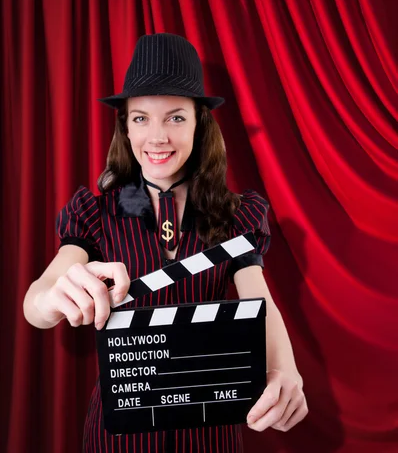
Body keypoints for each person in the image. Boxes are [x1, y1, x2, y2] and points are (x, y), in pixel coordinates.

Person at [23, 33, 307, 452]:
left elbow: (260, 304)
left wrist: (285, 369)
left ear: (199, 123)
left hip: (209, 431)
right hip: (120, 433)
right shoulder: (96, 213)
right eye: (141, 118)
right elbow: (37, 301)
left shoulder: (235, 215)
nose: (157, 137)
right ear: (125, 126)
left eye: (175, 118)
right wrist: (52, 300)